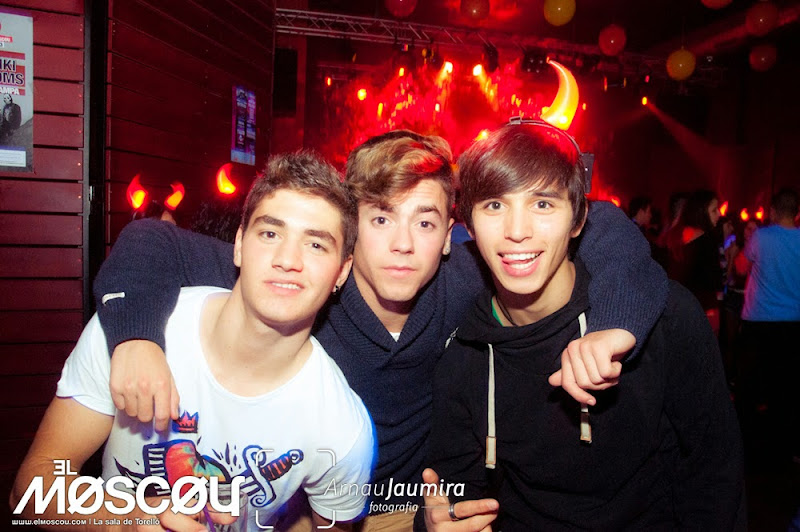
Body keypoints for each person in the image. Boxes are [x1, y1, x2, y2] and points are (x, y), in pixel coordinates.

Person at [91, 130, 669, 529]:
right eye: (381, 217)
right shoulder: (305, 278)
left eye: (425, 222)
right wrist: (136, 336)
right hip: (303, 510)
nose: (403, 244)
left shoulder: (464, 276)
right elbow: (150, 241)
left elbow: (600, 224)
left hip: (409, 510)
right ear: (350, 231)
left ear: (450, 236)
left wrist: (614, 328)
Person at [11, 152, 374, 531]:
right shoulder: (130, 331)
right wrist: (129, 519)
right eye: (270, 233)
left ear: (342, 271)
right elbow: (29, 492)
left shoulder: (342, 428)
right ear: (239, 244)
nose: (287, 259)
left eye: (316, 245)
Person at [420, 122, 744, 531]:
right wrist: (435, 523)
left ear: (578, 220)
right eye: (495, 205)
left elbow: (714, 473)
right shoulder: (464, 355)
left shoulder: (665, 318)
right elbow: (453, 496)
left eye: (542, 204)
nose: (517, 232)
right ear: (468, 224)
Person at [737, 187, 800, 466]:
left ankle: (745, 448)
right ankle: (783, 450)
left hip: (758, 321)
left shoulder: (761, 237)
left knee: (750, 386)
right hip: (793, 324)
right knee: (786, 387)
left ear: (773, 211)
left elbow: (740, 268)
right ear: (796, 213)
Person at [665, 188, 723, 333]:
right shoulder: (707, 240)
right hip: (704, 310)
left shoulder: (675, 237)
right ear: (702, 212)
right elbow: (714, 280)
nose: (719, 214)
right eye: (714, 210)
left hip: (678, 310)